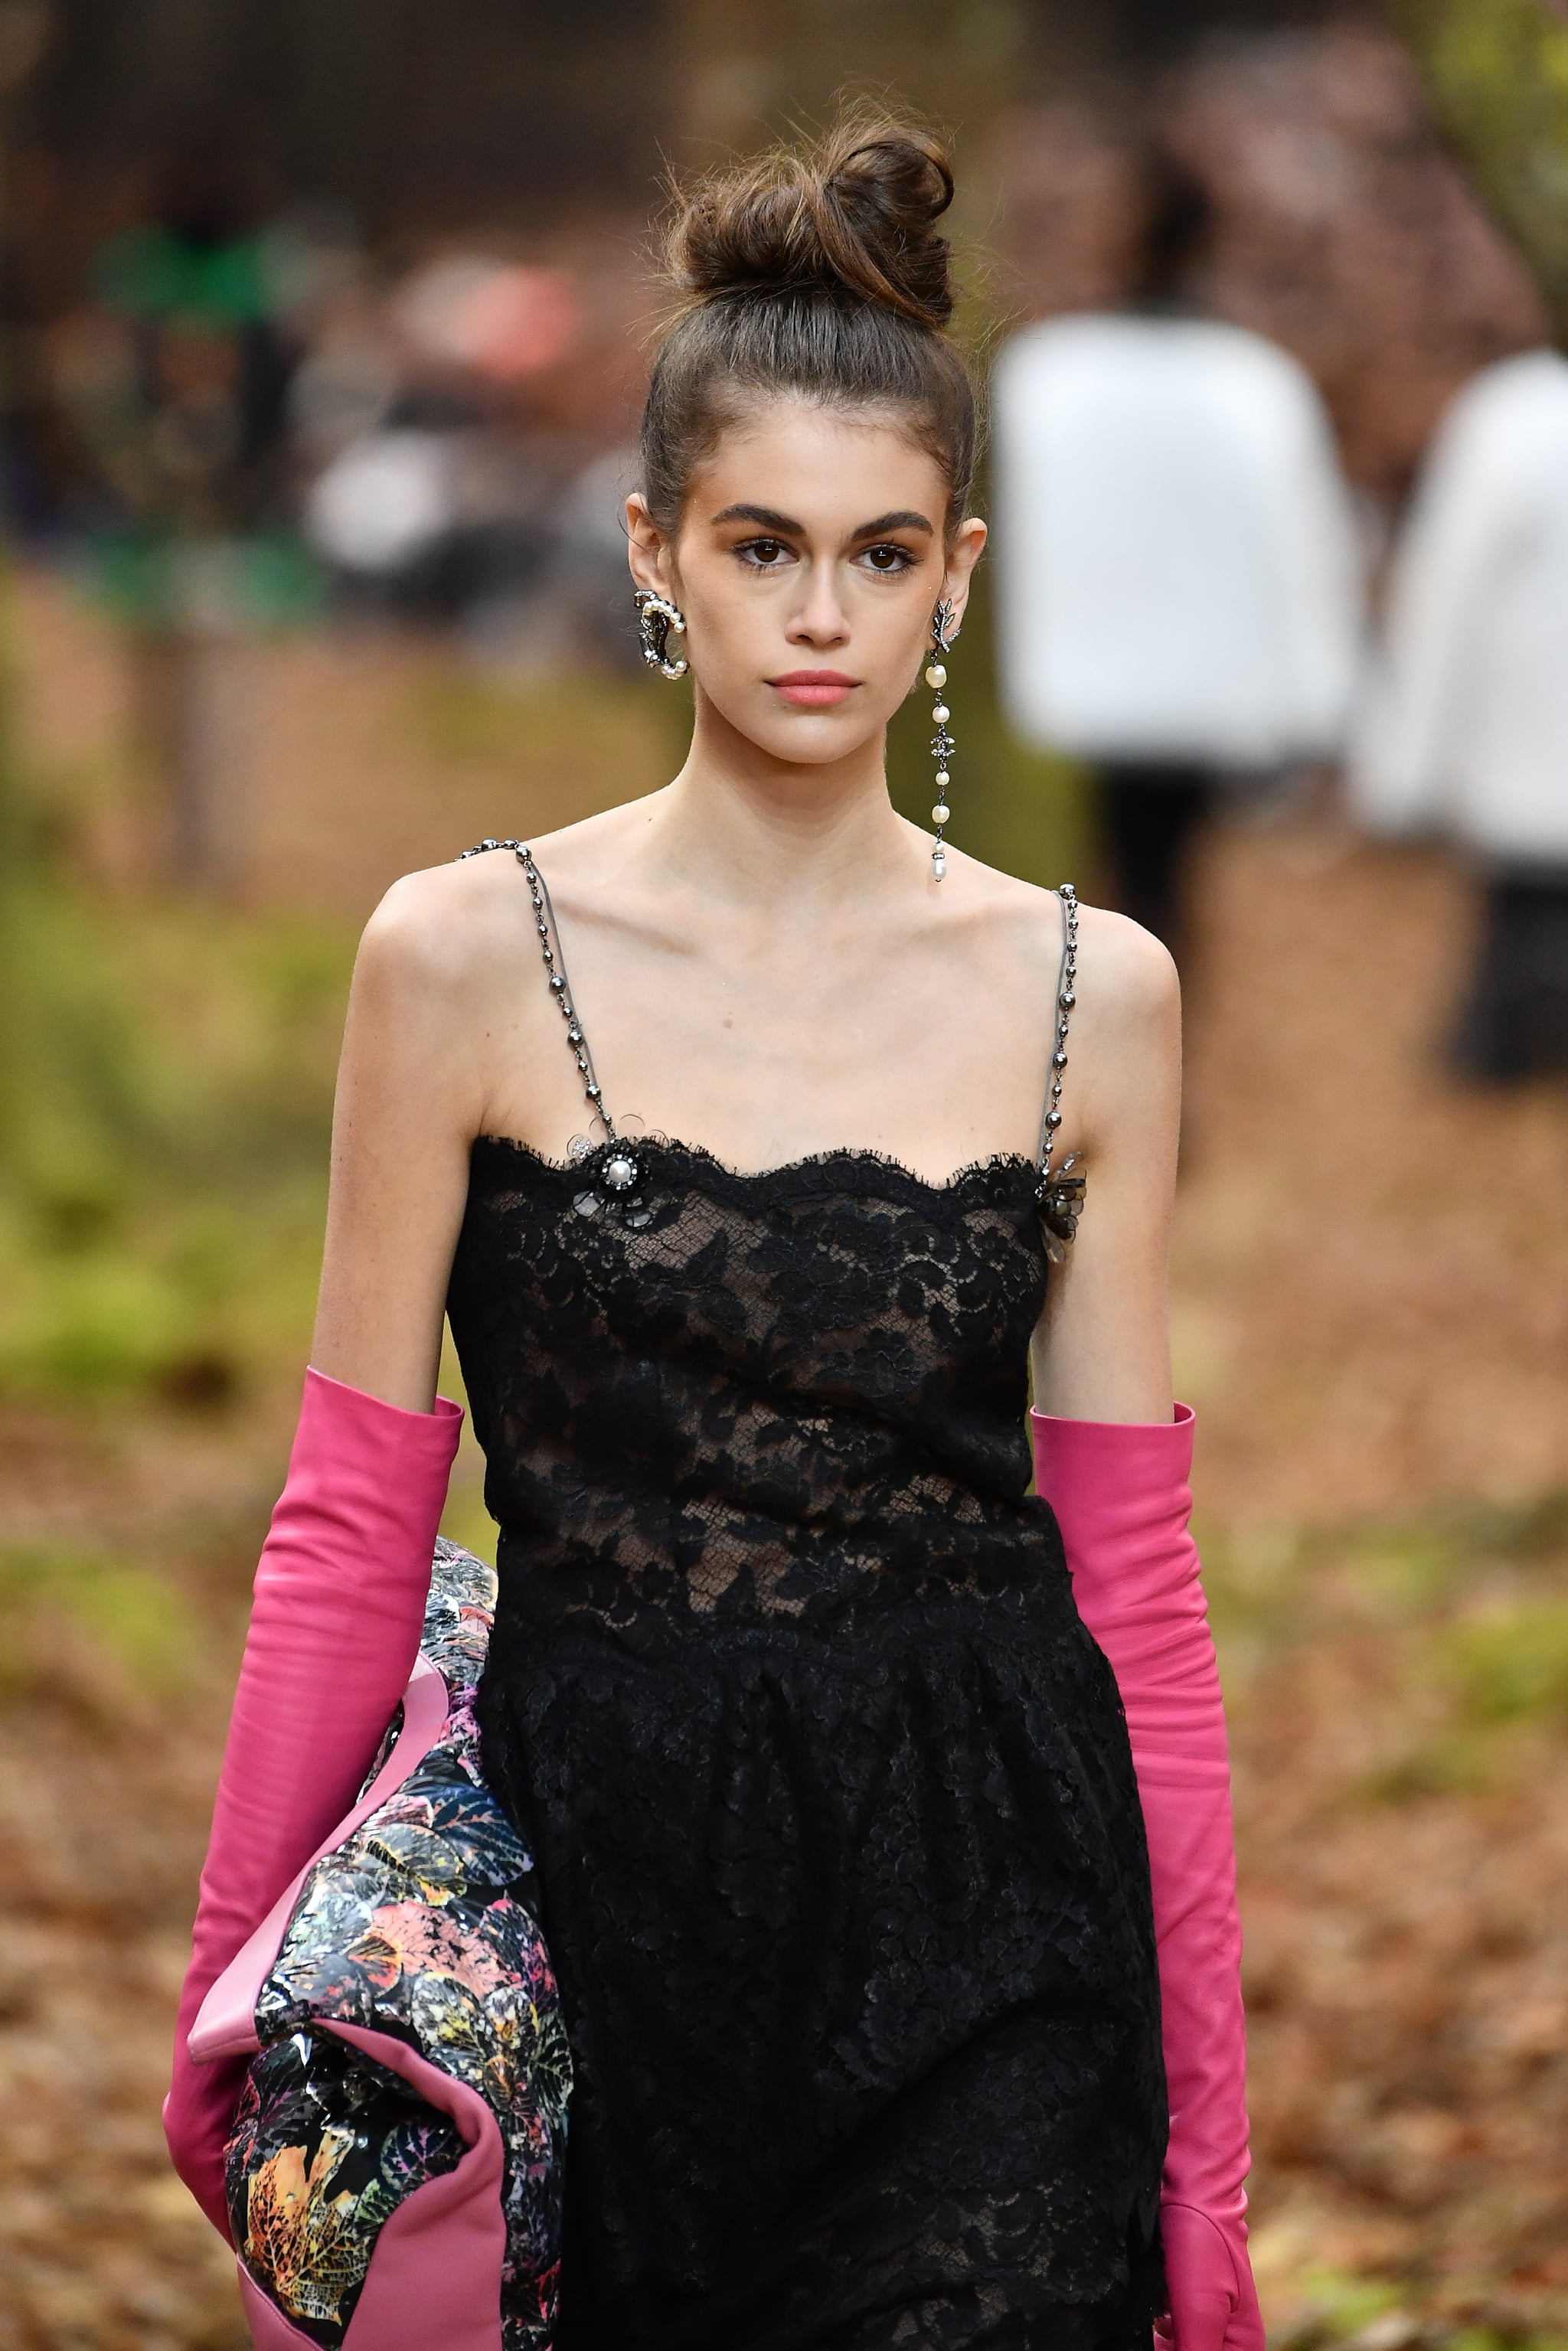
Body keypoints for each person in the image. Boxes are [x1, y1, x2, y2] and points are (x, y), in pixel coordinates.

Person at [166, 114, 1261, 2350]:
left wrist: (1202, 2167)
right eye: (763, 545)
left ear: (954, 574)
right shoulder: (456, 957)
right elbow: (346, 1519)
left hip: (994, 1894)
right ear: (653, 548)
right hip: (588, 1892)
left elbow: (1135, 1587)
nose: (821, 614)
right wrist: (239, 1993)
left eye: (879, 556)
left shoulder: (1095, 995)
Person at [991, 154, 1362, 961]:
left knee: (1132, 867)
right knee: (1159, 878)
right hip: (1201, 688)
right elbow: (1302, 552)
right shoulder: (1251, 385)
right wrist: (1321, 698)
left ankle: (1126, 1020)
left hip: (1086, 680)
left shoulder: (1053, 373)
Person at [1350, 348, 1568, 1082]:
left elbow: (1443, 602)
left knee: (1526, 931)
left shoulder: (1512, 421)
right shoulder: (1517, 420)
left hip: (1531, 756)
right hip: (1535, 749)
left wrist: (1402, 768)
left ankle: (1496, 1067)